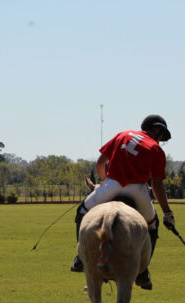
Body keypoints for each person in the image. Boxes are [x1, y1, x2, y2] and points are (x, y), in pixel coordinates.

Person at [69, 114, 175, 291]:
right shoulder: (156, 150)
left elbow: (101, 163)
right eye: (161, 135)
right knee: (152, 225)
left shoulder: (122, 135)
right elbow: (156, 184)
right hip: (138, 190)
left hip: (112, 184)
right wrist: (167, 212)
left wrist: (103, 182)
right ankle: (142, 272)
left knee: (82, 211)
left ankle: (81, 259)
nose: (161, 139)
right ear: (155, 129)